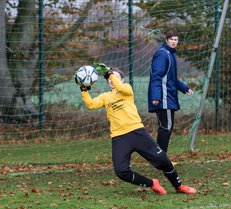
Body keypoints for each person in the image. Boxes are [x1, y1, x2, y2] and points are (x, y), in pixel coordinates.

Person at [76, 63, 196, 195]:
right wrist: (84, 89)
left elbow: (120, 87)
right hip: (119, 137)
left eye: (115, 77)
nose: (111, 80)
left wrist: (110, 72)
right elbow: (91, 104)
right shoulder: (106, 97)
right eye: (109, 79)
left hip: (137, 132)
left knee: (163, 161)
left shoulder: (127, 89)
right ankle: (152, 184)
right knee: (121, 171)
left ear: (122, 79)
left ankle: (179, 186)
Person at [148, 29, 194, 153]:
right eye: (171, 39)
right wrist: (156, 96)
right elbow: (156, 76)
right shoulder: (163, 54)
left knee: (167, 127)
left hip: (168, 97)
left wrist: (185, 88)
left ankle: (161, 157)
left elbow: (171, 79)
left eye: (176, 39)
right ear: (166, 40)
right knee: (165, 127)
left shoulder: (170, 54)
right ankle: (161, 158)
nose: (174, 42)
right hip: (163, 98)